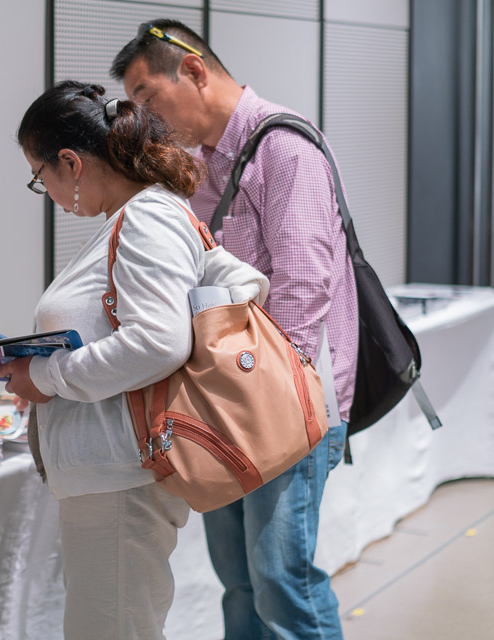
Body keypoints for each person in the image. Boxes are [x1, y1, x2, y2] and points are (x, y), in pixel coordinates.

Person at [0, 80, 268, 640]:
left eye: (38, 176)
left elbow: (158, 341)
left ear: (69, 161)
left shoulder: (145, 219)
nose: (43, 189)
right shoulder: (142, 216)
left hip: (120, 477)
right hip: (114, 474)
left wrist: (45, 376)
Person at [111, 19, 358, 640]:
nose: (145, 116)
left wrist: (278, 399)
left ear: (193, 71)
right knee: (240, 581)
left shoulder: (285, 147)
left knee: (282, 582)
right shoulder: (199, 163)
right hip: (226, 398)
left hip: (285, 399)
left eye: (146, 98)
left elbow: (305, 289)